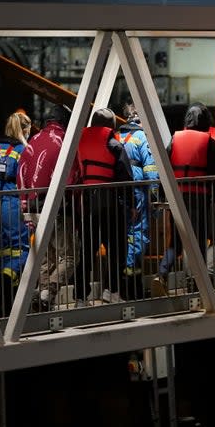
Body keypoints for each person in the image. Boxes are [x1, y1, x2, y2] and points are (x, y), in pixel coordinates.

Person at [18, 104, 81, 311]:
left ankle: (43, 298)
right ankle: (49, 291)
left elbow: (21, 175)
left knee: (46, 258)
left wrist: (25, 205)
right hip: (57, 207)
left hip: (33, 208)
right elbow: (72, 179)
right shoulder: (65, 142)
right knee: (70, 257)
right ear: (65, 121)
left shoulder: (32, 142)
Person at [158, 102, 215, 294]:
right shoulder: (208, 141)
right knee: (199, 240)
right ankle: (198, 282)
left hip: (177, 197)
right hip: (199, 198)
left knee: (176, 242)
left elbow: (165, 167)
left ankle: (161, 274)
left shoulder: (175, 138)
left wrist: (163, 196)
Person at [74, 107, 133, 304]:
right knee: (116, 249)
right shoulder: (115, 145)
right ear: (111, 126)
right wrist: (131, 204)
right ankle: (112, 291)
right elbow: (125, 176)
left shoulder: (79, 142)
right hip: (110, 201)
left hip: (88, 201)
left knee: (87, 252)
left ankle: (81, 296)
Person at [0, 111, 33, 316]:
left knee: (0, 250)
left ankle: (0, 298)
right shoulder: (22, 150)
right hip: (11, 201)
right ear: (25, 129)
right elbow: (26, 179)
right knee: (21, 249)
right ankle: (7, 281)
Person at [116, 102, 158, 300]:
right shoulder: (141, 137)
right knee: (137, 236)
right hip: (138, 192)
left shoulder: (116, 136)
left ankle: (121, 285)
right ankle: (134, 288)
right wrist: (156, 193)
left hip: (118, 193)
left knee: (123, 236)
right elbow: (150, 168)